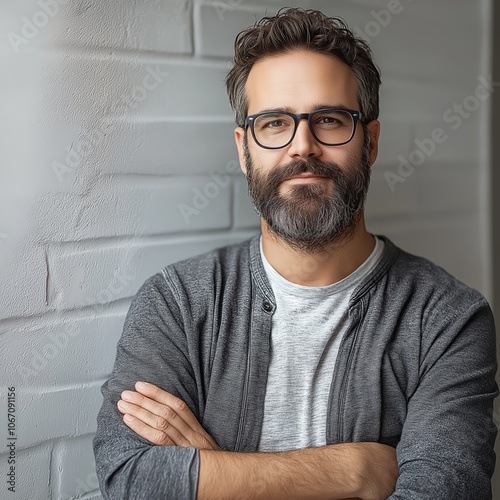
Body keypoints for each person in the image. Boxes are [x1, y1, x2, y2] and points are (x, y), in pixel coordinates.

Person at [93, 8, 498, 499]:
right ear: (244, 149)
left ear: (369, 142)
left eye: (329, 120)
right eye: (274, 122)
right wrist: (355, 471)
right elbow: (130, 480)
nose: (302, 147)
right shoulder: (177, 303)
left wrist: (215, 472)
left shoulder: (447, 320)